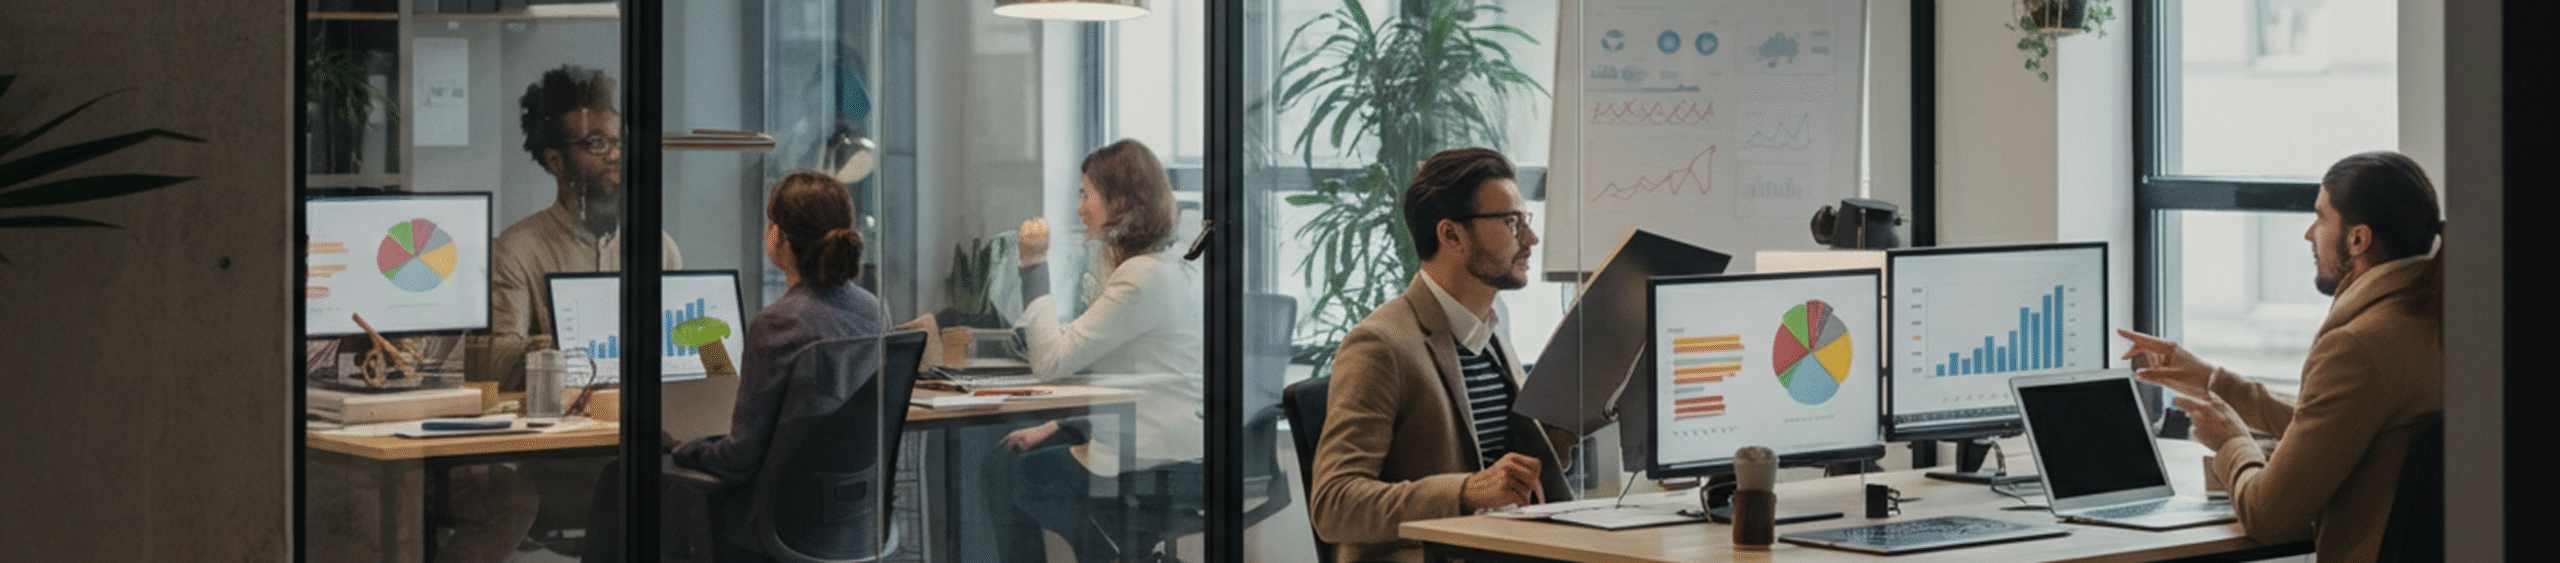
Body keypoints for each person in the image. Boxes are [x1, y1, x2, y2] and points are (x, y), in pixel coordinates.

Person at [2117, 151, 2444, 563]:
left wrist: (2231, 443)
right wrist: (2212, 381)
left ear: (2358, 239)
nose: (2309, 234)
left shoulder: (2358, 346)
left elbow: (2268, 517)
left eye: (2320, 217)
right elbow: (2334, 430)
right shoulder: (2436, 322)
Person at [583, 171, 884, 562]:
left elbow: (739, 460)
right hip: (849, 518)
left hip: (769, 526)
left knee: (622, 475)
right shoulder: (873, 311)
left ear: (775, 235)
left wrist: (687, 448)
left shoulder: (778, 322)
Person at [1307, 147, 1576, 563]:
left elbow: (1504, 465)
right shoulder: (1380, 345)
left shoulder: (1489, 329)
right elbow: (1334, 504)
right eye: (1511, 222)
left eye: (1525, 221)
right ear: (1451, 235)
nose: (1530, 239)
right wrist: (1466, 490)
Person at [992, 139, 1204, 563]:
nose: (1080, 209)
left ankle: (1106, 556)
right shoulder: (1167, 270)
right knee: (1022, 462)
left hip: (1148, 454)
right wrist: (1058, 424)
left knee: (1005, 472)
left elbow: (1051, 362)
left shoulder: (1139, 277)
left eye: (1086, 195)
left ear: (1119, 203)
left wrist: (1033, 263)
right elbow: (1132, 373)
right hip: (1170, 443)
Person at [489, 64, 684, 342]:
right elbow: (501, 357)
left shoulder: (657, 246)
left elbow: (677, 343)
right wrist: (581, 343)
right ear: (555, 160)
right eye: (596, 144)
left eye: (620, 142)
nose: (615, 155)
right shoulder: (516, 251)